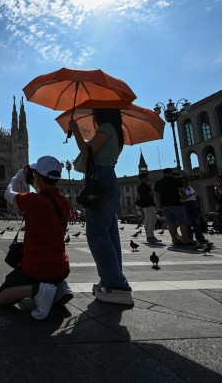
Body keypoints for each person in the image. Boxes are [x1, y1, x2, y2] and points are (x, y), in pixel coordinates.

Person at [69, 110, 133, 305]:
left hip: (100, 180)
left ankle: (117, 285)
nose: (94, 118)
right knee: (110, 235)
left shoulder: (106, 128)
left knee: (96, 234)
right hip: (106, 179)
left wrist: (76, 132)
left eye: (95, 114)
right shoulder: (116, 131)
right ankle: (110, 281)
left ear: (101, 116)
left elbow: (88, 152)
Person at [0, 156, 71, 320]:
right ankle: (59, 286)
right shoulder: (64, 202)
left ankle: (39, 290)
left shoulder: (33, 201)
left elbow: (8, 193)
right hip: (61, 268)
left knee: (1, 296)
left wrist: (16, 178)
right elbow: (45, 196)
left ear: (37, 177)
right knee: (52, 274)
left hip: (37, 269)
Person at [153, 168, 195, 247]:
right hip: (176, 204)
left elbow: (156, 193)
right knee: (183, 222)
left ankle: (174, 239)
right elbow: (181, 190)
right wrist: (184, 195)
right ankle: (185, 240)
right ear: (170, 173)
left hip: (165, 205)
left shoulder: (158, 182)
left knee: (171, 223)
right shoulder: (175, 180)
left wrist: (159, 203)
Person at [179, 176, 207, 244]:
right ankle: (190, 238)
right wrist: (191, 194)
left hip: (192, 203)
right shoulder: (179, 189)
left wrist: (196, 204)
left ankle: (200, 237)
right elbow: (182, 198)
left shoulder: (189, 188)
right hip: (185, 204)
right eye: (183, 182)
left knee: (197, 221)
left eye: (185, 182)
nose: (184, 183)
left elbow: (194, 197)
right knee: (188, 222)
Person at [136, 172, 160, 243]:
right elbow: (151, 194)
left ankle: (149, 236)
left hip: (144, 205)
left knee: (147, 220)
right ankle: (150, 236)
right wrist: (152, 193)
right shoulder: (144, 186)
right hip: (148, 205)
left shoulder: (140, 186)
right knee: (152, 219)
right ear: (143, 178)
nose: (147, 178)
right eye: (146, 177)